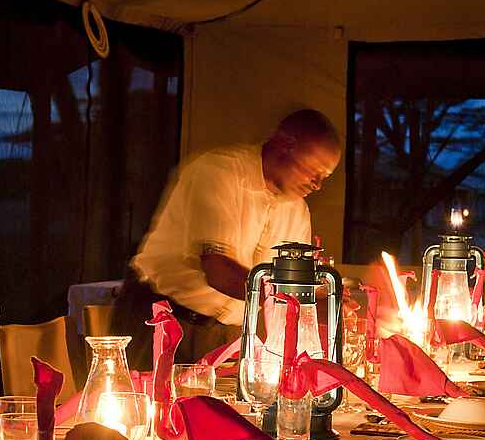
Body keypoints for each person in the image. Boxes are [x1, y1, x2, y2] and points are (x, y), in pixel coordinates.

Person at [112, 109, 342, 368]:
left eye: (325, 177)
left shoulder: (297, 211)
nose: (317, 184)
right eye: (314, 170)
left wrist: (323, 298)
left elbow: (291, 283)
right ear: (286, 144)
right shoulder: (218, 172)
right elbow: (218, 271)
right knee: (147, 395)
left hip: (225, 334)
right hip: (159, 320)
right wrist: (306, 301)